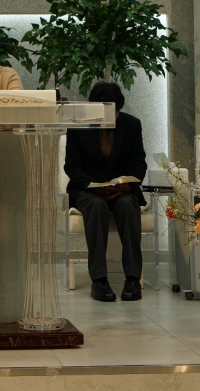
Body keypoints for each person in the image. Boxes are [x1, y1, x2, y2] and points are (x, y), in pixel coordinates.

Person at [64, 81, 147, 302]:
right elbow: (72, 166)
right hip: (88, 190)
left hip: (121, 190)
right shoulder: (78, 126)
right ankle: (99, 280)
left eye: (112, 113)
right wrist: (94, 186)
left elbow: (138, 163)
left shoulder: (132, 125)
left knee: (128, 204)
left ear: (119, 110)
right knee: (96, 205)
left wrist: (128, 184)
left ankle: (133, 279)